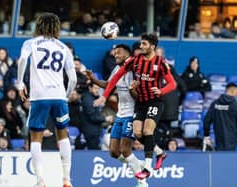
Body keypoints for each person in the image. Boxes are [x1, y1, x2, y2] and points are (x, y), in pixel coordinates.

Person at [94, 33, 177, 180]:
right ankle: (160, 153)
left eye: (144, 44)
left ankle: (147, 167)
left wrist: (161, 90)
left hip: (154, 102)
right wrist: (104, 96)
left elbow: (173, 84)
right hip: (140, 104)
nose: (141, 46)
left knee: (147, 130)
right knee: (138, 134)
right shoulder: (135, 61)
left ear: (152, 46)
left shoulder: (161, 63)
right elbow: (115, 79)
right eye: (141, 44)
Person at [16, 12, 77, 187]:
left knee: (36, 138)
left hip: (40, 97)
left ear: (38, 26)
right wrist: (65, 96)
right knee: (63, 135)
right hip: (59, 97)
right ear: (56, 27)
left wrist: (20, 84)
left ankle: (40, 180)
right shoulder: (63, 47)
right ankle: (67, 179)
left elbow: (22, 61)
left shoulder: (30, 43)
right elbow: (72, 79)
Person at [86, 44, 148, 186]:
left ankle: (142, 181)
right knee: (114, 152)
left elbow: (141, 97)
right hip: (120, 115)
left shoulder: (135, 71)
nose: (115, 55)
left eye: (118, 53)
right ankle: (138, 164)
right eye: (114, 53)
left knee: (125, 150)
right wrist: (93, 79)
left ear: (127, 54)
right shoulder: (116, 68)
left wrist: (133, 90)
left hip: (133, 114)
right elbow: (109, 84)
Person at [203, 82, 237, 151]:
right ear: (233, 91)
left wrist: (206, 135)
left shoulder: (215, 103)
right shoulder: (235, 105)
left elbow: (206, 120)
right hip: (232, 140)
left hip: (218, 139)